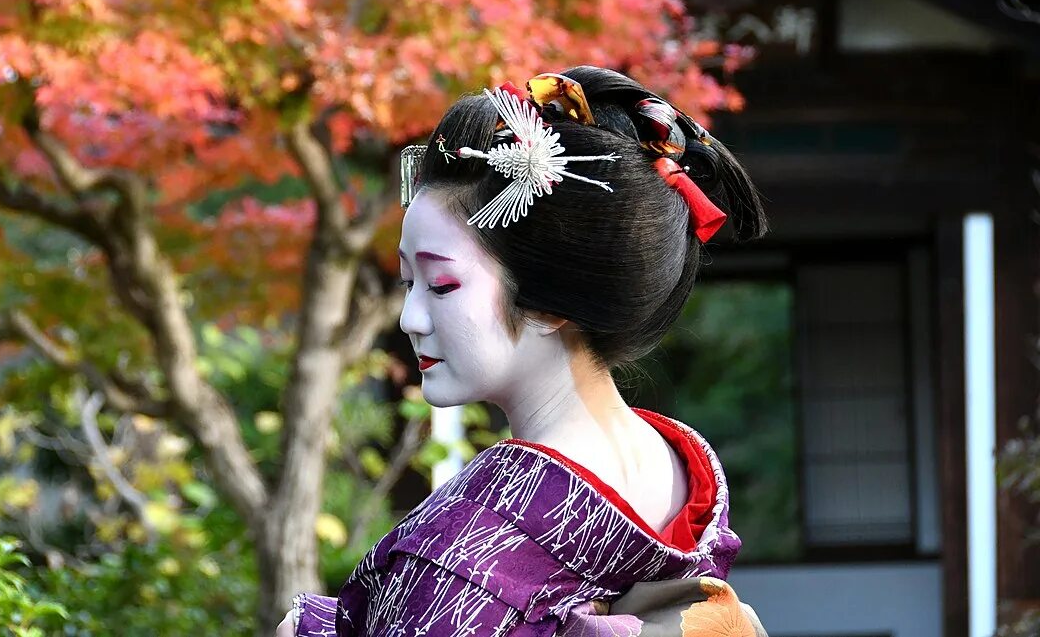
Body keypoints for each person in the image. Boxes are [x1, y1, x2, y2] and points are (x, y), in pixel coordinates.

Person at [278, 66, 769, 636]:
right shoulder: (685, 471)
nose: (411, 319)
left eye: (441, 285)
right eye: (408, 283)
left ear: (551, 298)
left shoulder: (460, 557)